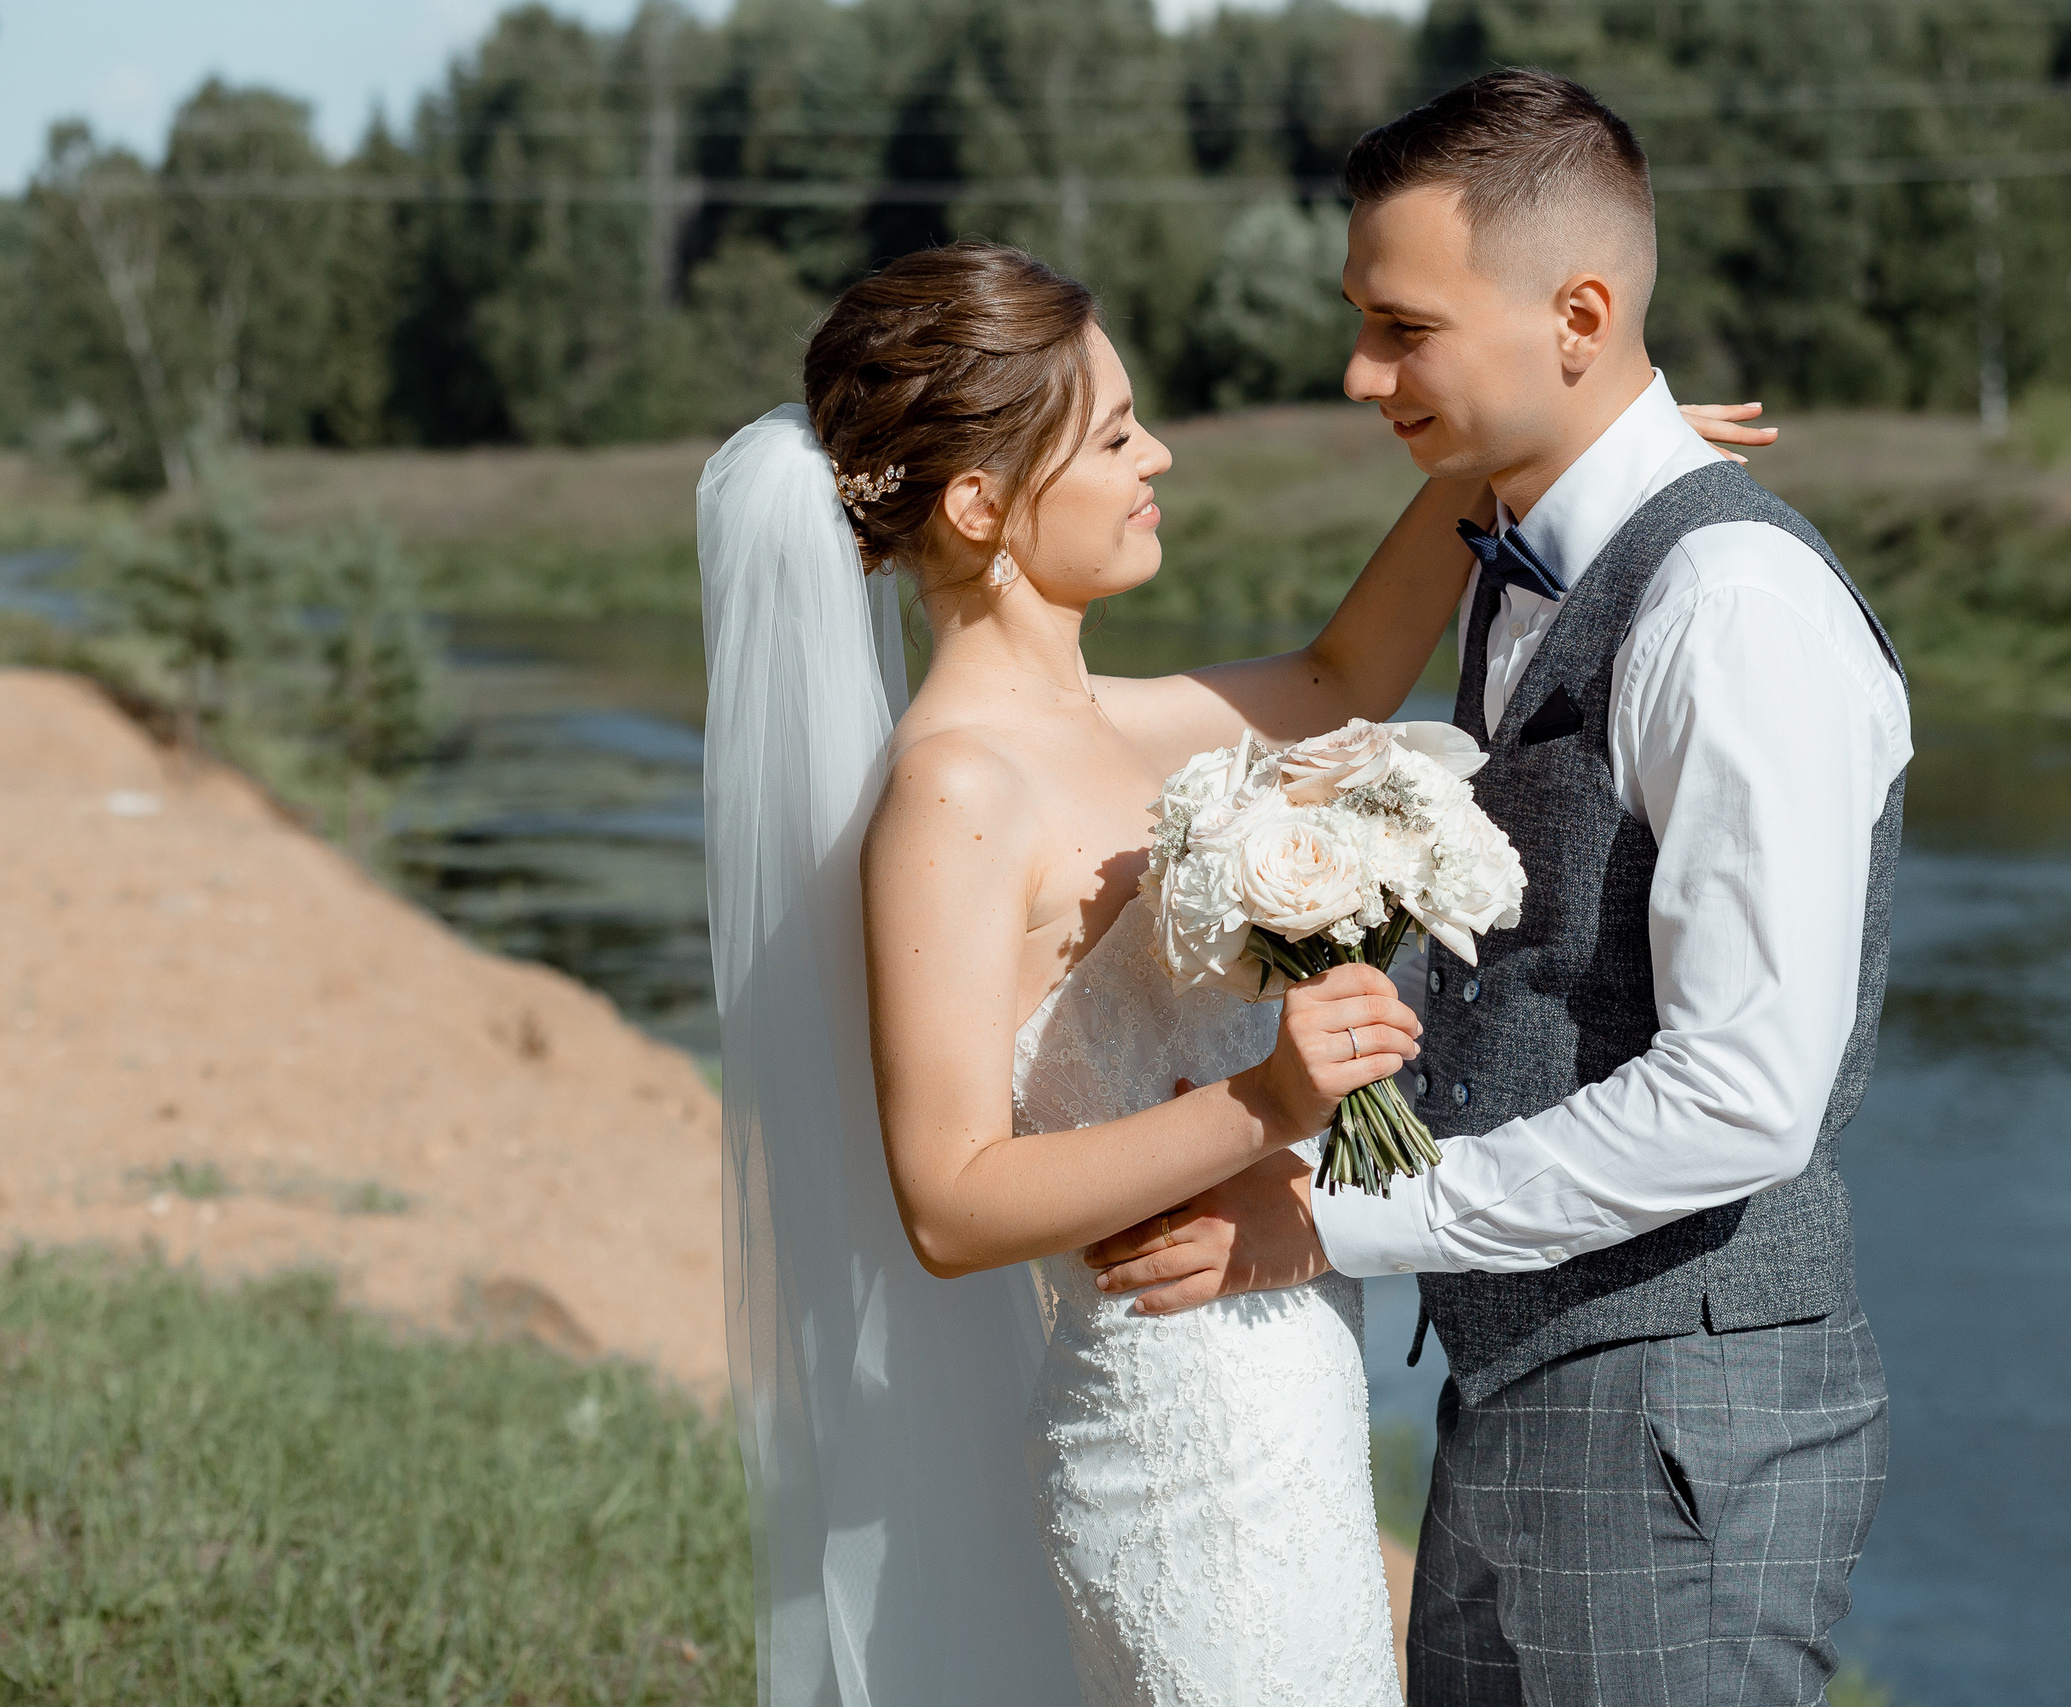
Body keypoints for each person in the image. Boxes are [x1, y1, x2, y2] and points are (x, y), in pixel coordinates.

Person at [700, 238, 1770, 1707]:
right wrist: (1270, 1099)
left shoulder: (1136, 721)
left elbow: (1343, 680)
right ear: (979, 504)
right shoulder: (954, 795)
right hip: (1166, 1431)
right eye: (1117, 433)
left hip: (1283, 1396)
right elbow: (949, 1203)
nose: (1163, 456)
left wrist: (1563, 455)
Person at [1088, 70, 1912, 1707]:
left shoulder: (1730, 607)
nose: (1358, 371)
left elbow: (1749, 1097)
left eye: (1404, 329)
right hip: (1547, 1389)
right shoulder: (1530, 561)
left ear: (1581, 315)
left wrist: (1330, 1217)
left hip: (1670, 1417)